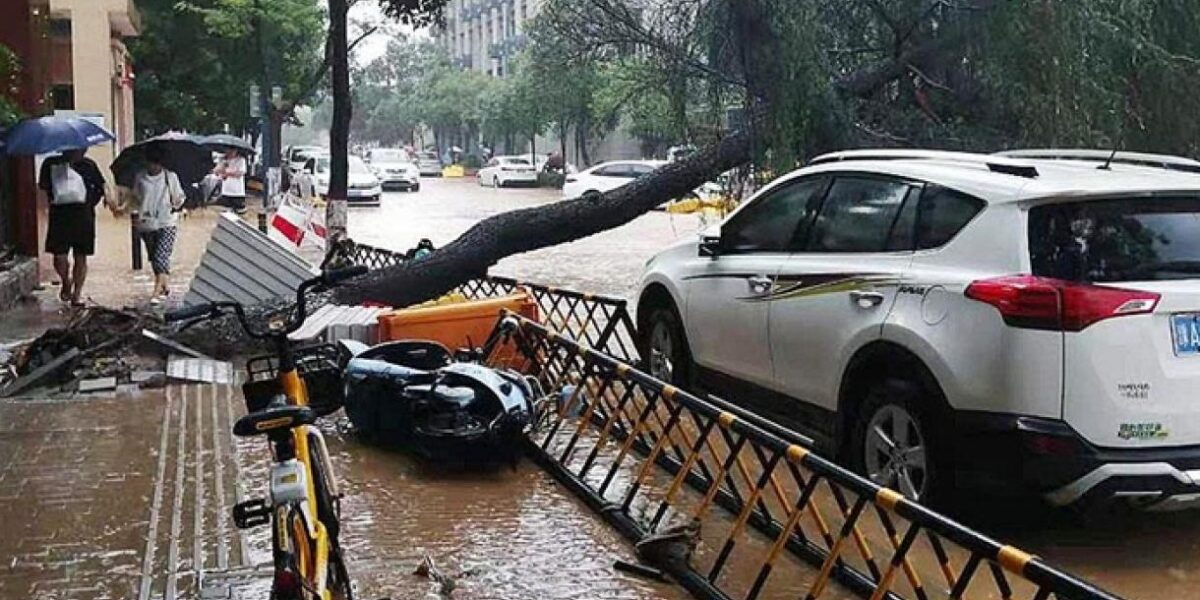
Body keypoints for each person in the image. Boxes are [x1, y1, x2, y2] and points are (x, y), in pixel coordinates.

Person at [38, 147, 107, 306]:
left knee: (81, 256)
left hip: (83, 216)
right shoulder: (51, 164)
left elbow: (100, 186)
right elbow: (44, 186)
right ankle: (66, 280)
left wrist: (91, 201)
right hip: (59, 215)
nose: (82, 150)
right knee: (59, 257)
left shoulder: (88, 165)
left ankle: (77, 294)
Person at [132, 146, 186, 304]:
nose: (154, 167)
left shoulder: (171, 177)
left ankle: (156, 291)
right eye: (151, 163)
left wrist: (177, 202)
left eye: (157, 163)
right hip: (146, 223)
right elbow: (135, 198)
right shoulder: (140, 178)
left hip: (167, 222)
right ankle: (165, 285)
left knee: (161, 256)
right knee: (154, 258)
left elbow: (180, 196)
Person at [213, 148, 247, 213]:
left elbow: (240, 173)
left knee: (240, 210)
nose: (230, 152)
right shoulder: (223, 160)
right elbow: (216, 171)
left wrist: (227, 173)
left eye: (233, 150)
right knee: (226, 211)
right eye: (228, 150)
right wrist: (222, 165)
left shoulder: (241, 160)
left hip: (237, 192)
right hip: (226, 191)